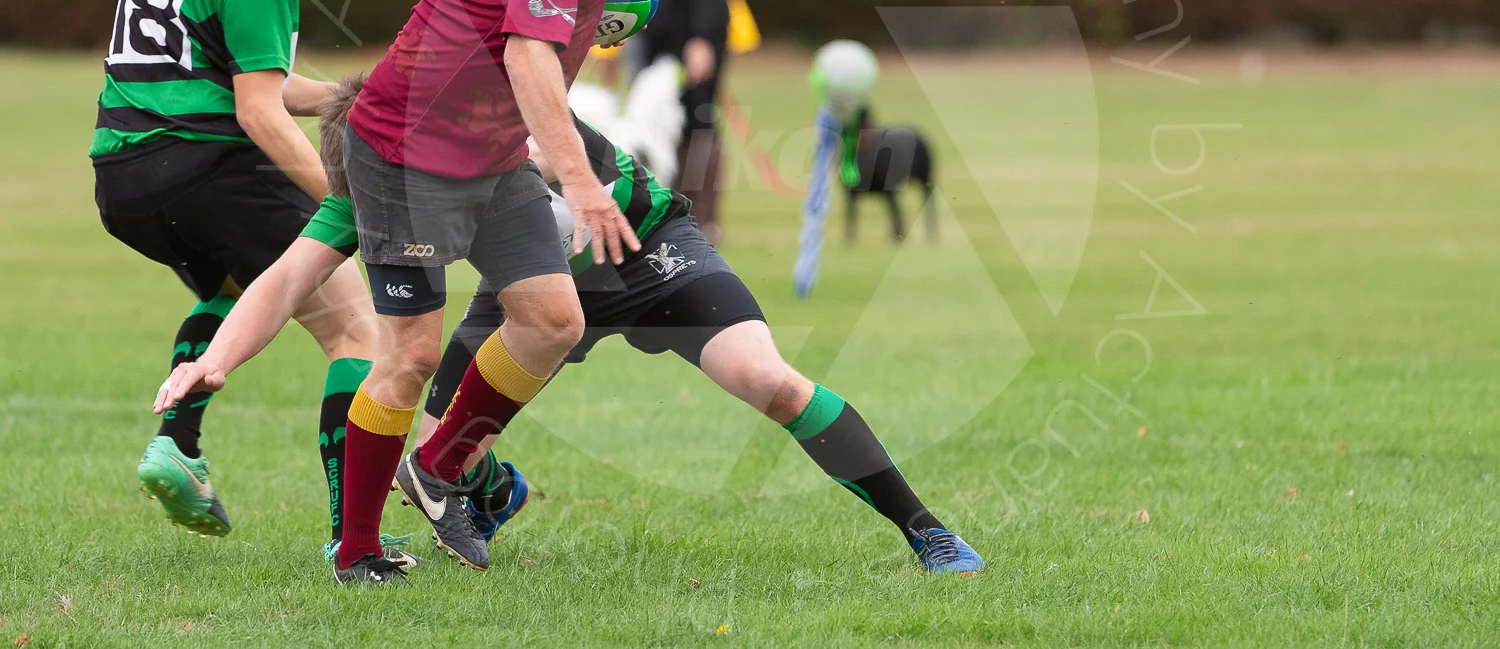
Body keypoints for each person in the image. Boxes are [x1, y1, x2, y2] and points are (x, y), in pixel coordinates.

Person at [157, 79, 986, 581]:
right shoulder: (377, 181)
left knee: (768, 380)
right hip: (532, 288)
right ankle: (482, 497)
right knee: (448, 437)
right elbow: (286, 277)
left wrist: (545, 153)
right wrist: (214, 363)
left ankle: (928, 531)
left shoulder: (482, 127)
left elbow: (552, 143)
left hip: (644, 250)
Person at [329, 0, 678, 585]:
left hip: (485, 151)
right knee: (410, 355)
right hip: (410, 149)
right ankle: (358, 552)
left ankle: (440, 468)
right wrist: (581, 180)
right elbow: (529, 55)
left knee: (552, 319)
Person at [90, 0, 376, 542]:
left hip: (122, 174)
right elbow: (255, 109)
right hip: (204, 168)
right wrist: (349, 202)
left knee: (234, 281)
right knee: (360, 330)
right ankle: (358, 538)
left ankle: (177, 444)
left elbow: (243, 77)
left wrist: (349, 94)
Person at [629, 0, 733, 239]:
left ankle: (702, 220)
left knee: (698, 120)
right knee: (658, 120)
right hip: (658, 37)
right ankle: (668, 213)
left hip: (692, 36)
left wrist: (702, 38)